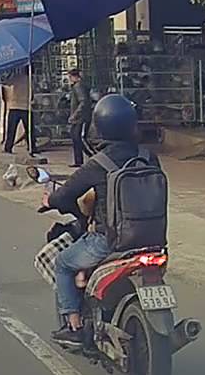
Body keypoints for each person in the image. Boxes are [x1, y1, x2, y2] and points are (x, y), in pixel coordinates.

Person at [43, 94, 155, 347]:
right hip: (152, 240)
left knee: (62, 263)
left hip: (110, 241)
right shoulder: (148, 157)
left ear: (100, 126)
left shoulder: (99, 163)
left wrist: (50, 200)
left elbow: (66, 194)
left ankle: (73, 325)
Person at [2, 66, 36, 157]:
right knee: (29, 130)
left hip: (14, 106)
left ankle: (8, 147)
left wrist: (10, 74)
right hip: (26, 107)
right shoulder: (31, 80)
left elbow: (5, 83)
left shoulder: (16, 78)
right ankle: (32, 147)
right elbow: (33, 94)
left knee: (11, 130)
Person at [66, 69, 94, 167]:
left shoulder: (78, 86)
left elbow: (83, 102)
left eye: (70, 77)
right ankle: (78, 160)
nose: (69, 79)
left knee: (80, 138)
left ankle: (92, 155)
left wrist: (75, 115)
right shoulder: (77, 86)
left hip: (81, 118)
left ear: (75, 77)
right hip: (78, 118)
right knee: (76, 138)